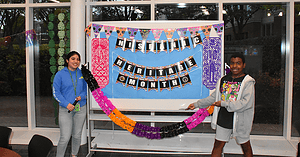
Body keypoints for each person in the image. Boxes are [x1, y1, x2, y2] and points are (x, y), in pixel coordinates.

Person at [186, 53, 255, 157]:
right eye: (232, 63)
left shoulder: (247, 81)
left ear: (244, 65)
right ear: (229, 65)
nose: (235, 66)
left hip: (241, 121)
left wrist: (223, 103)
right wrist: (196, 104)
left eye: (238, 63)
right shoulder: (223, 80)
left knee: (245, 146)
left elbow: (246, 103)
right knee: (218, 145)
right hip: (224, 118)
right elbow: (214, 98)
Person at [53, 51, 87, 157]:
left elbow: (86, 89)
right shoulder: (60, 74)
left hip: (81, 108)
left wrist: (82, 96)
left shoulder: (82, 73)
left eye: (77, 59)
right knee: (65, 137)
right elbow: (56, 92)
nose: (75, 61)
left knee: (77, 135)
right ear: (67, 60)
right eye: (73, 59)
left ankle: (74, 155)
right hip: (65, 109)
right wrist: (66, 104)